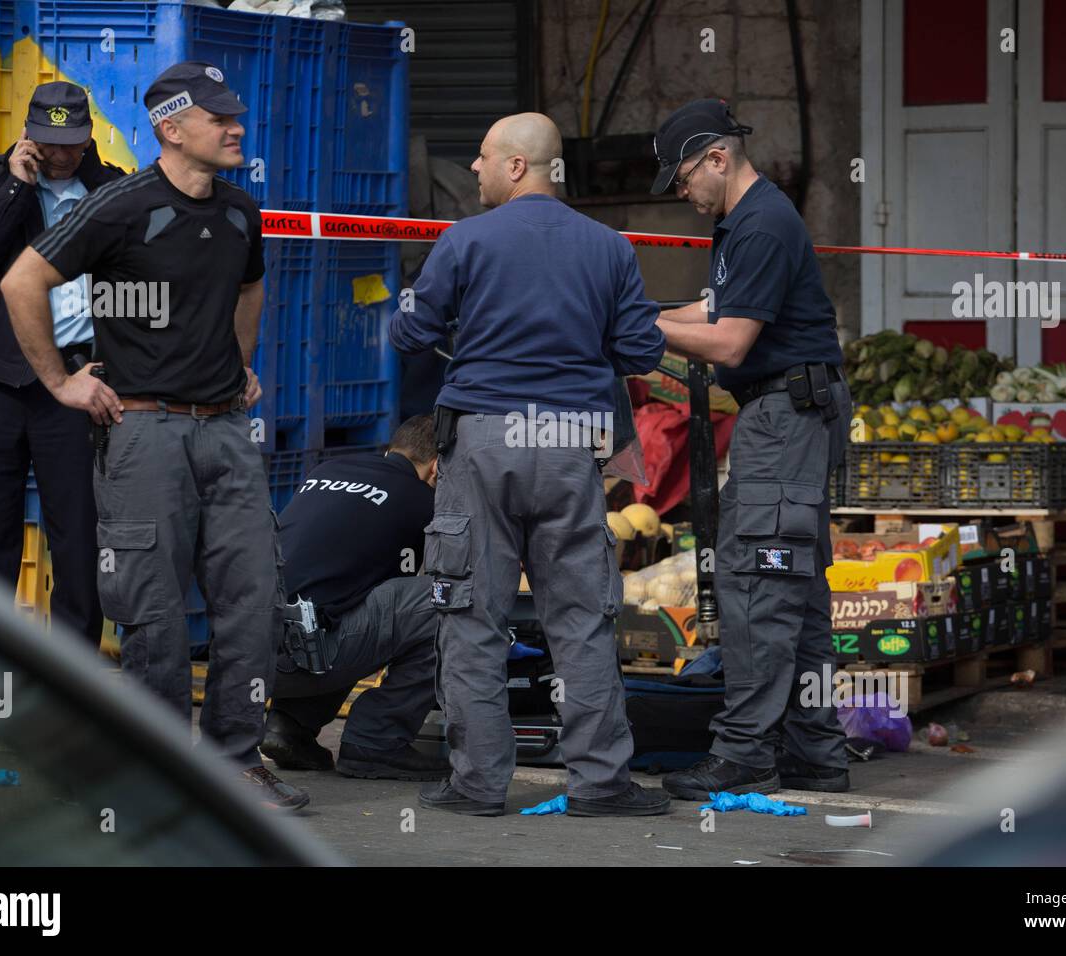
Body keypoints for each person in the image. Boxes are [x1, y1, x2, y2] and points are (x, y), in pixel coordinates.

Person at [0, 62, 306, 811]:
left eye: (237, 116)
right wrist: (62, 383)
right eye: (219, 118)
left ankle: (237, 760)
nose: (237, 128)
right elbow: (21, 281)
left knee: (251, 598)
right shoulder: (120, 205)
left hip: (227, 432)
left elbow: (249, 284)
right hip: (142, 432)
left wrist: (241, 361)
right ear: (171, 127)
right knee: (154, 610)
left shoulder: (240, 210)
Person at [389, 112, 669, 817]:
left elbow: (409, 331)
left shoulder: (464, 240)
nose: (475, 170)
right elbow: (641, 352)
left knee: (472, 616)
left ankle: (478, 785)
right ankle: (601, 783)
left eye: (483, 158)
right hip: (571, 444)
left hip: (481, 444)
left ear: (517, 166)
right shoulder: (610, 247)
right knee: (581, 619)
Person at [650, 99, 853, 800]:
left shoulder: (760, 224)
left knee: (758, 585)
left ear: (717, 158)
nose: (683, 196)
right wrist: (634, 314)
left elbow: (730, 340)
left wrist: (644, 334)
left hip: (784, 417)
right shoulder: (750, 222)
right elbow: (713, 310)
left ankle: (743, 754)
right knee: (795, 592)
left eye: (682, 181)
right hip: (792, 413)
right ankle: (816, 749)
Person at [0, 81, 124, 647]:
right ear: (27, 134)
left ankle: (69, 673)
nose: (60, 154)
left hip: (75, 380)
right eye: (49, 142)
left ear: (89, 134)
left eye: (71, 142)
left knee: (78, 535)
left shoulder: (114, 189)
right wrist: (16, 191)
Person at [260, 415, 450, 781]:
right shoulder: (421, 499)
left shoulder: (330, 468)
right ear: (437, 469)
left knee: (342, 595)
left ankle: (289, 726)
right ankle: (377, 741)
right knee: (445, 601)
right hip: (305, 659)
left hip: (247, 657)